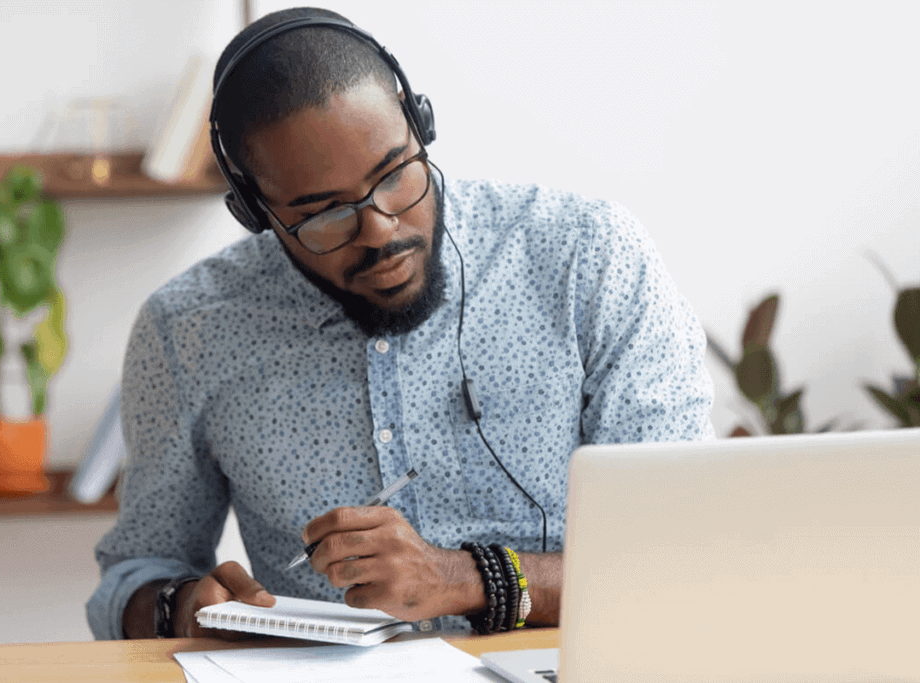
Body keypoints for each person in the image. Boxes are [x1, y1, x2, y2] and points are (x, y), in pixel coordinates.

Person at [86, 7, 714, 641]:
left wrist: (465, 579)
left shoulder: (589, 259)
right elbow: (133, 576)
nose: (380, 229)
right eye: (323, 213)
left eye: (394, 174)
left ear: (422, 127)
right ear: (254, 212)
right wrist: (180, 606)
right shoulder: (187, 330)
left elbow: (686, 554)